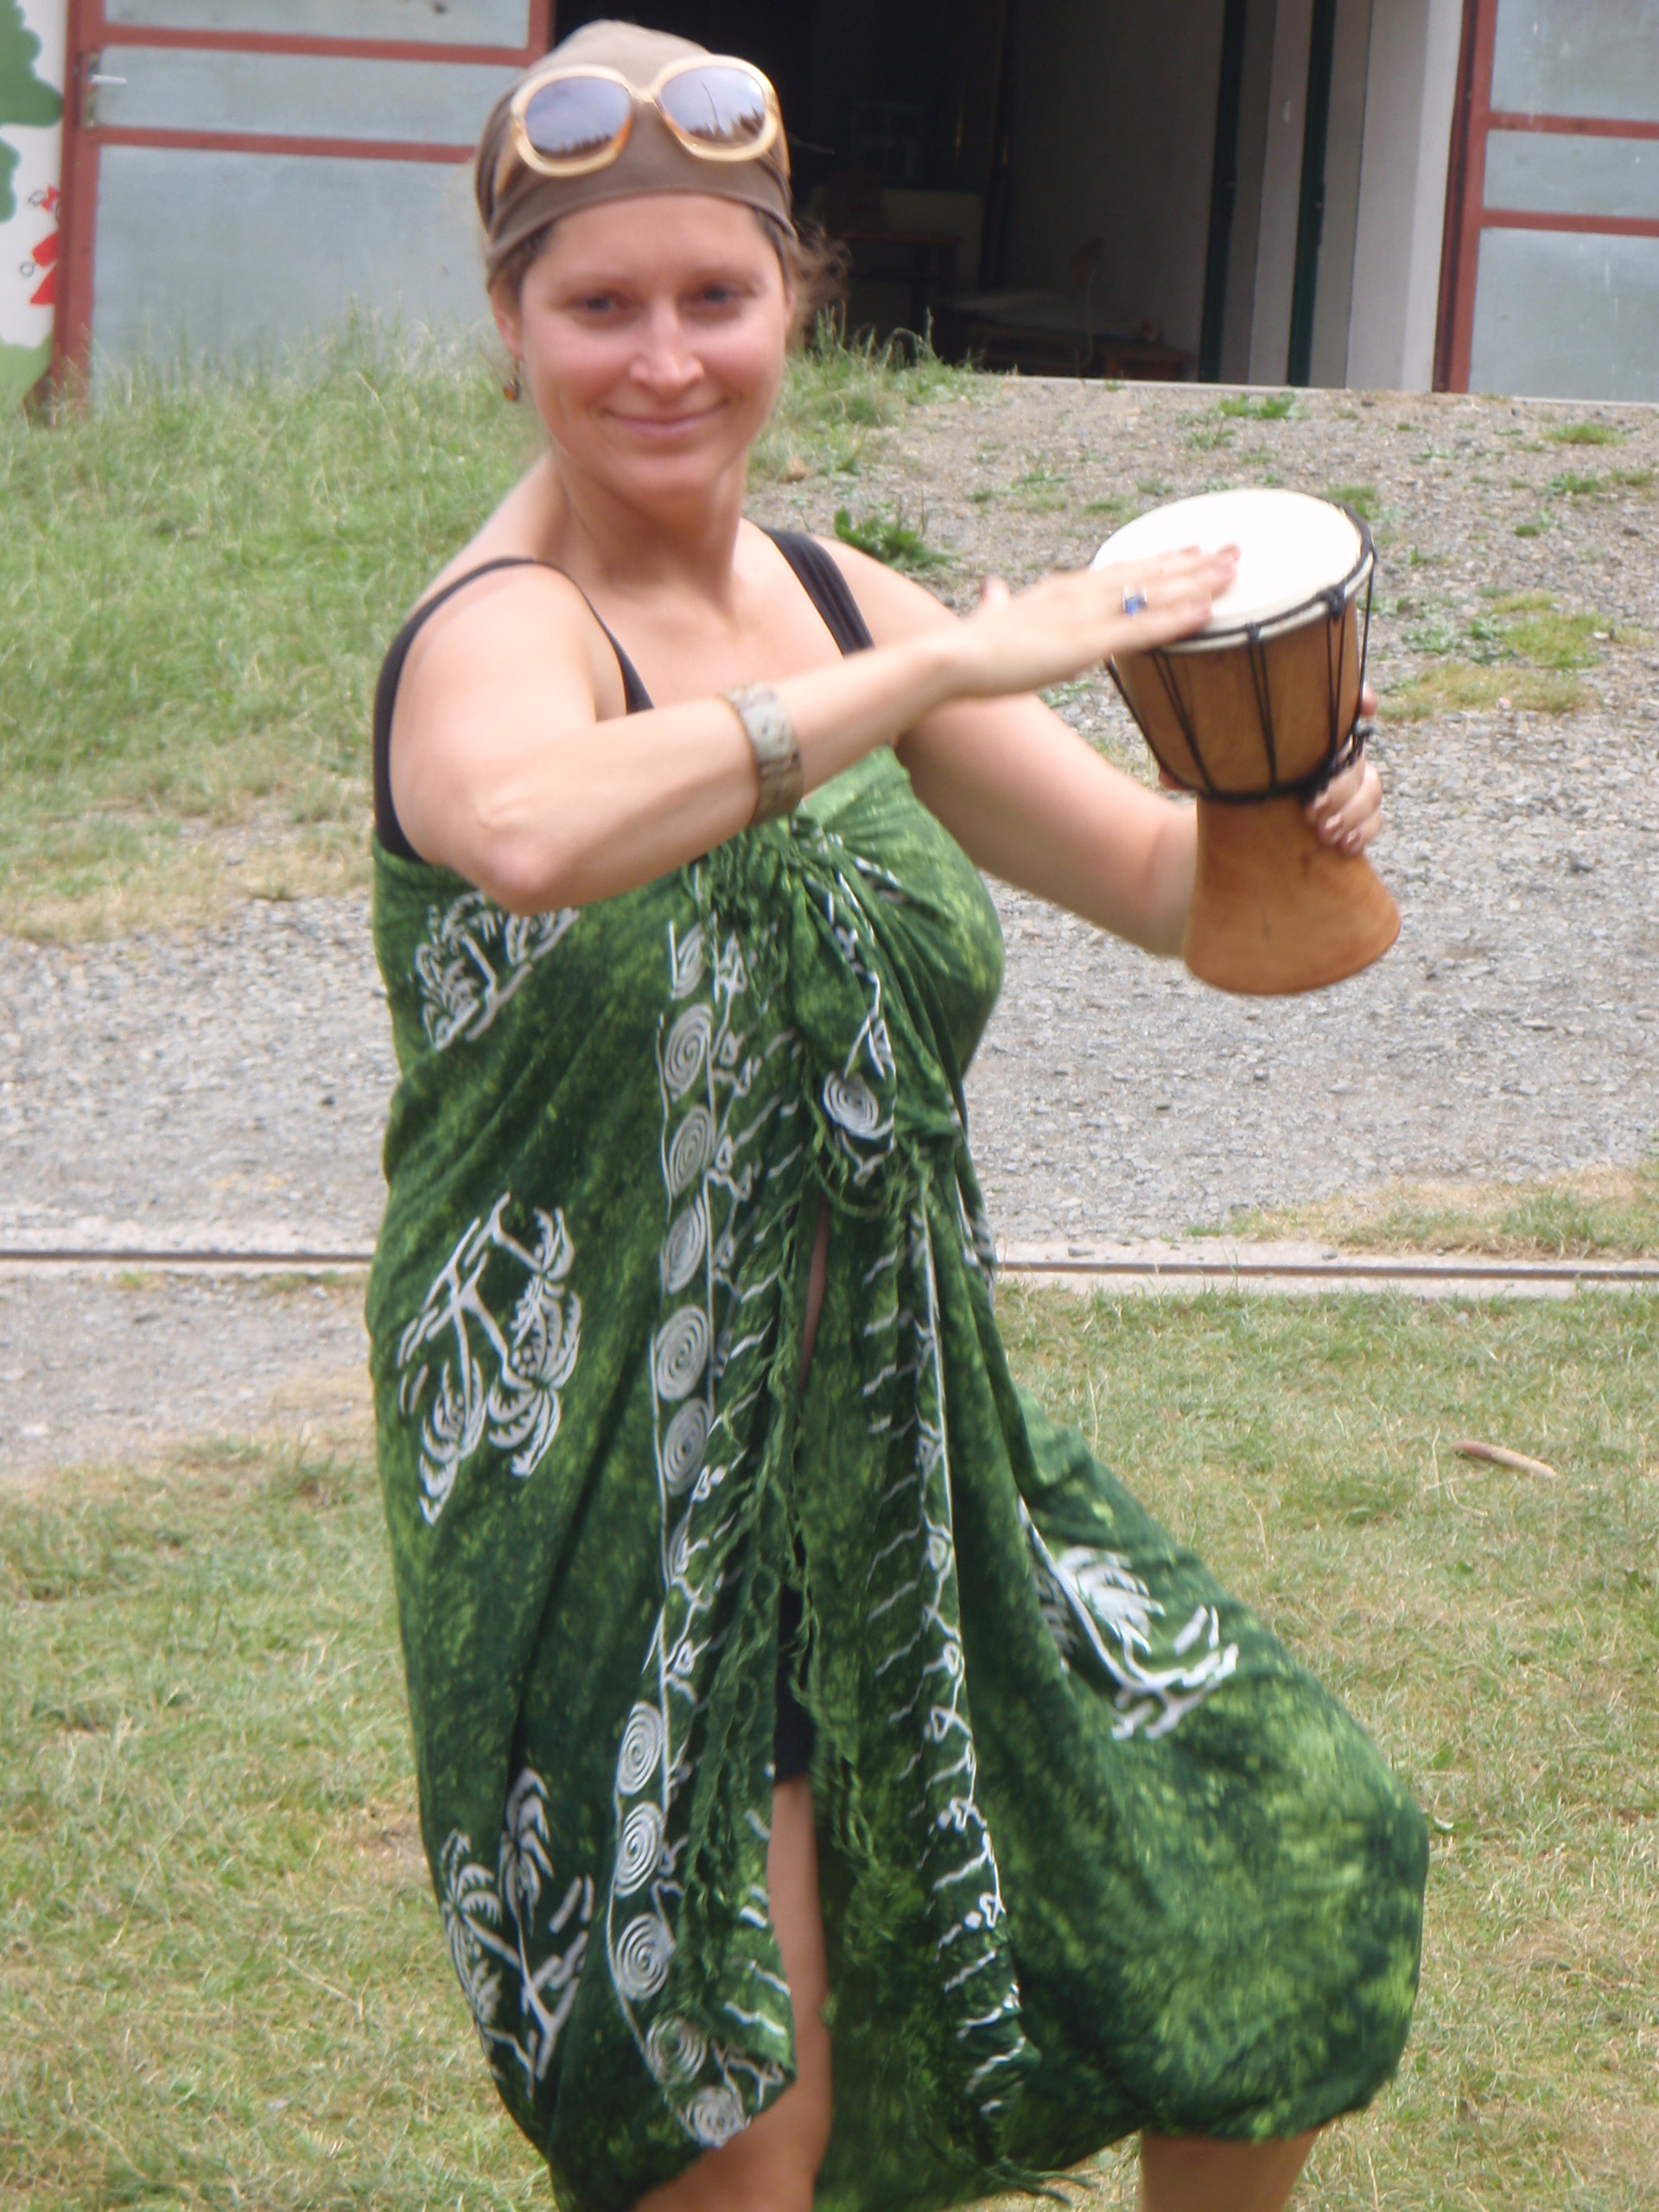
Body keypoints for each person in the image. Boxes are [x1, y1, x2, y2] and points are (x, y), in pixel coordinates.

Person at [365, 23, 1427, 2212]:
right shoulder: (500, 630)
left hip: (907, 1440)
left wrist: (1290, 795)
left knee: (1281, 1854)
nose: (666, 357)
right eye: (600, 303)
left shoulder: (846, 599)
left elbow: (1187, 901)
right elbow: (533, 827)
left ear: (797, 298)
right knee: (737, 2132)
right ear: (510, 324)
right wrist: (938, 669)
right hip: (616, 1483)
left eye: (716, 294)